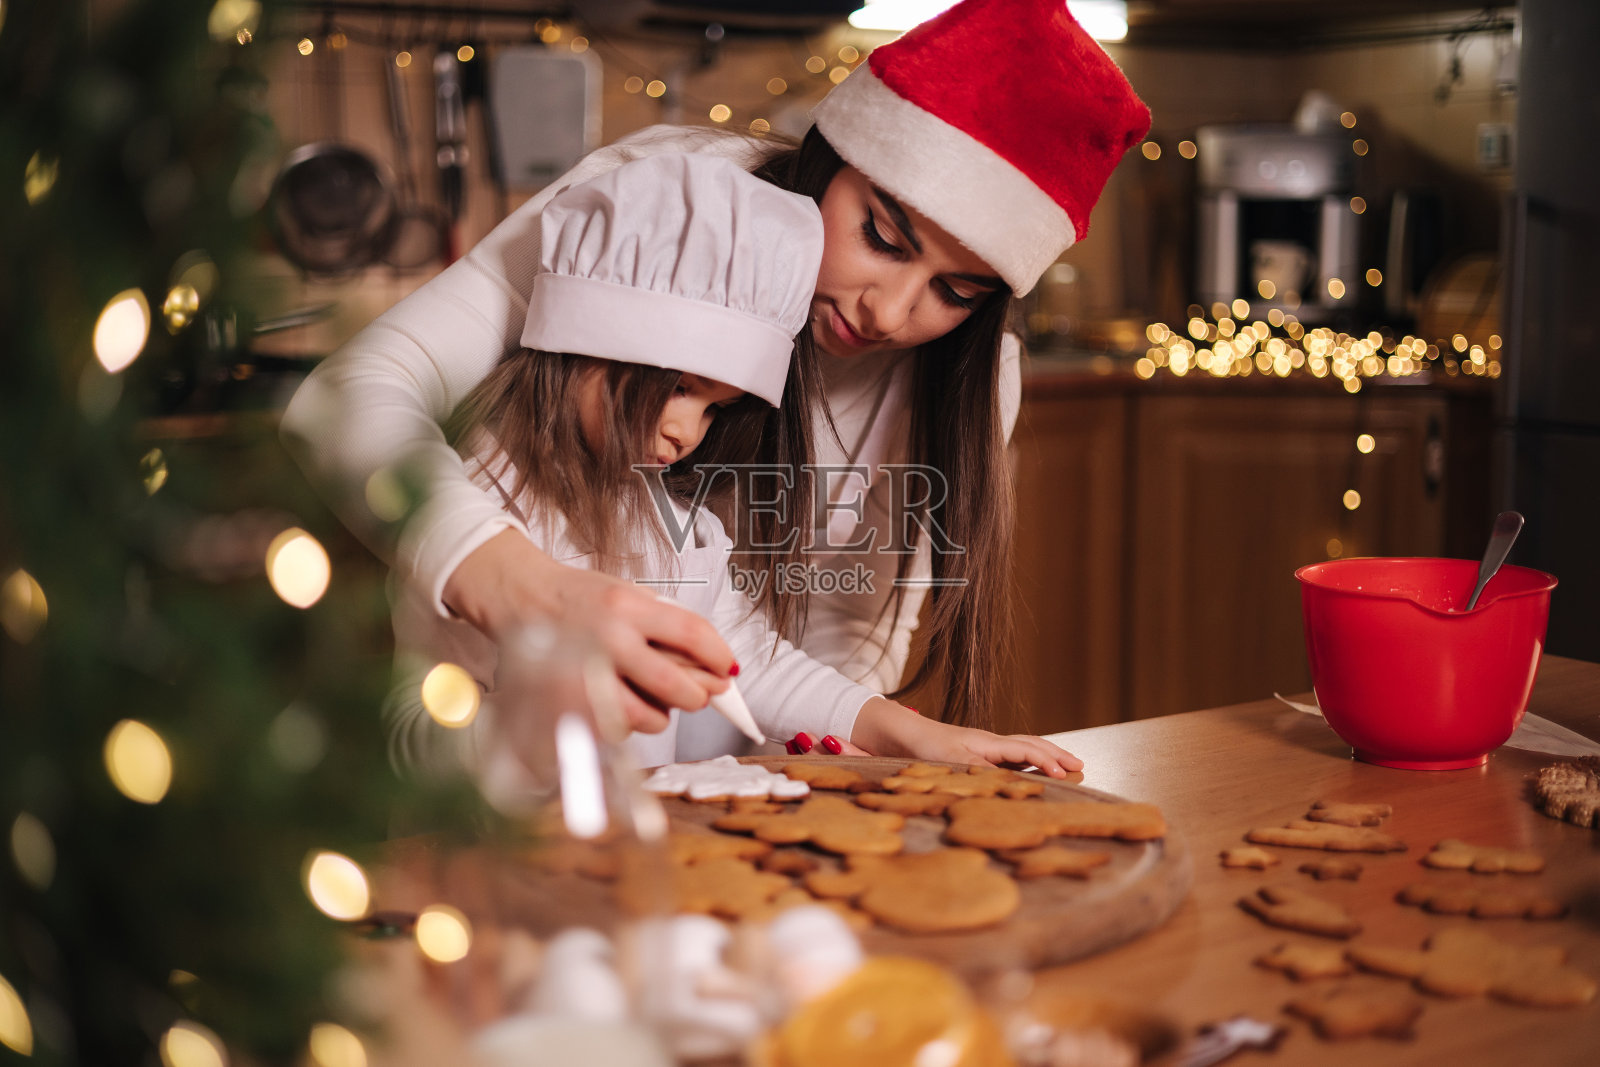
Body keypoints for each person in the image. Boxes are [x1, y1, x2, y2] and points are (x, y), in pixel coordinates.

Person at [281, 0, 1149, 740]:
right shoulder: (666, 210)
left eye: (954, 292)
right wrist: (521, 587)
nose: (888, 313)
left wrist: (819, 750)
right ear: (831, 161)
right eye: (881, 236)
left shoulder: (972, 378)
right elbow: (348, 397)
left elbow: (845, 629)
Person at [385, 152, 1082, 795]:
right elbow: (406, 740)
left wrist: (910, 733)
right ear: (579, 341)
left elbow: (752, 659)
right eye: (680, 387)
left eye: (715, 409)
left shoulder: (662, 519)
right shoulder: (477, 506)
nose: (688, 433)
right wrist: (540, 724)